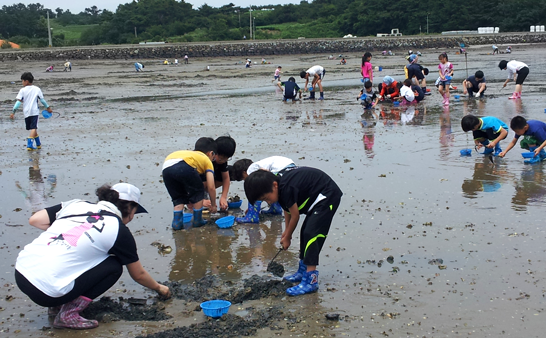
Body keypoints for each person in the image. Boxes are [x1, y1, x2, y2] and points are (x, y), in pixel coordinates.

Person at [14, 183, 171, 330]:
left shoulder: (76, 205)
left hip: (21, 274)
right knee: (114, 266)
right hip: (47, 293)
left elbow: (35, 220)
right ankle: (67, 314)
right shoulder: (118, 230)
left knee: (82, 256)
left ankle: (57, 306)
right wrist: (160, 288)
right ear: (130, 208)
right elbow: (139, 274)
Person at [243, 167, 342, 296]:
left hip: (327, 195)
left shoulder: (286, 188)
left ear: (274, 185)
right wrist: (285, 232)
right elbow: (287, 209)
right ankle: (303, 271)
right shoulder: (279, 188)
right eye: (265, 201)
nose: (268, 202)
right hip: (317, 197)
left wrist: (288, 236)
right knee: (304, 232)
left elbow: (295, 215)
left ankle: (311, 280)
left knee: (311, 234)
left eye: (267, 198)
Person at [162, 137, 218, 229]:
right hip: (184, 165)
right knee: (198, 190)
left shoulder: (191, 155)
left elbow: (185, 183)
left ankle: (177, 222)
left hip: (166, 166)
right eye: (213, 158)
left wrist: (189, 201)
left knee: (178, 197)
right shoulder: (206, 160)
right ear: (211, 153)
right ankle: (197, 220)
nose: (213, 160)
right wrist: (213, 205)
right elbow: (211, 186)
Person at [229, 156, 296, 223]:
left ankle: (252, 217)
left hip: (280, 169)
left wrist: (252, 210)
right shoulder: (259, 166)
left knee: (256, 189)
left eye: (243, 179)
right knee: (275, 190)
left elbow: (257, 193)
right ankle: (276, 209)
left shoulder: (251, 170)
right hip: (289, 166)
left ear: (244, 172)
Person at [11, 72, 52, 151]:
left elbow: (18, 102)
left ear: (26, 81)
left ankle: (37, 144)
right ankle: (30, 144)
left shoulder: (22, 90)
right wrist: (48, 107)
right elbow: (42, 100)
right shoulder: (37, 89)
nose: (22, 82)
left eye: (22, 81)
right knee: (33, 127)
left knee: (33, 127)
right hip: (34, 111)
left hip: (26, 112)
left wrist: (13, 112)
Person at [201, 136, 236, 212]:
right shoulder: (205, 160)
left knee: (231, 172)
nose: (223, 161)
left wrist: (223, 197)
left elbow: (226, 178)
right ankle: (200, 196)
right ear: (213, 152)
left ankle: (205, 192)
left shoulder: (222, 161)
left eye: (226, 158)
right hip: (197, 180)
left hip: (210, 177)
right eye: (221, 158)